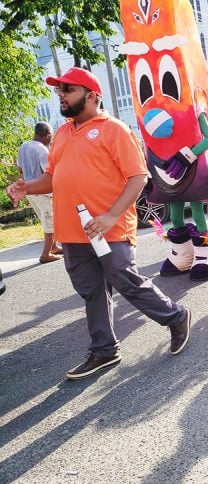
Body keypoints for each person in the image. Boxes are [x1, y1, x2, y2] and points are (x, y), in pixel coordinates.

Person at [6, 67, 191, 380]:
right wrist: (27, 187)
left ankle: (175, 316)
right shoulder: (62, 132)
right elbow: (52, 177)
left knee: (123, 277)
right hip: (73, 231)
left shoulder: (114, 130)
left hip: (109, 227)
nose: (61, 95)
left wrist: (110, 216)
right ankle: (104, 349)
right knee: (91, 290)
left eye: (68, 89)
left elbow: (137, 178)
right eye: (59, 89)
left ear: (91, 95)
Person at [16, 121, 63, 263]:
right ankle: (46, 254)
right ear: (47, 135)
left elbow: (19, 168)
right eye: (51, 135)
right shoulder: (42, 149)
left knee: (45, 219)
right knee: (50, 221)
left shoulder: (24, 146)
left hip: (29, 191)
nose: (52, 139)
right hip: (42, 192)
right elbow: (48, 173)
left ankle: (54, 246)